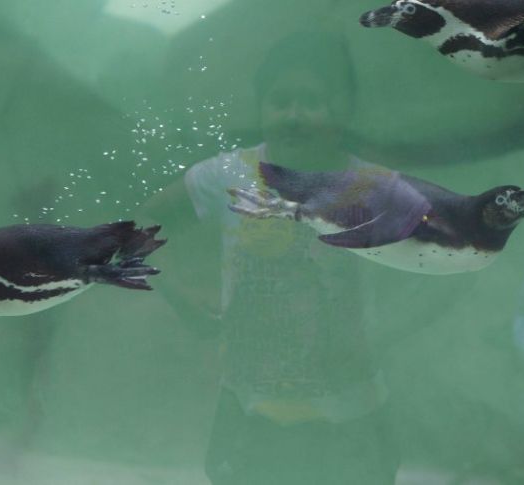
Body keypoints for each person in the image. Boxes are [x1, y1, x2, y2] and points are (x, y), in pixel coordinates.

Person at [142, 31, 400, 484]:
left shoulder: (377, 188)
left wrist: (396, 332)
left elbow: (459, 259)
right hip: (248, 410)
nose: (295, 115)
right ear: (261, 107)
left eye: (312, 100)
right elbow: (140, 225)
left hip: (352, 414)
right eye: (281, 101)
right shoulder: (225, 175)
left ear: (341, 108)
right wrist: (179, 298)